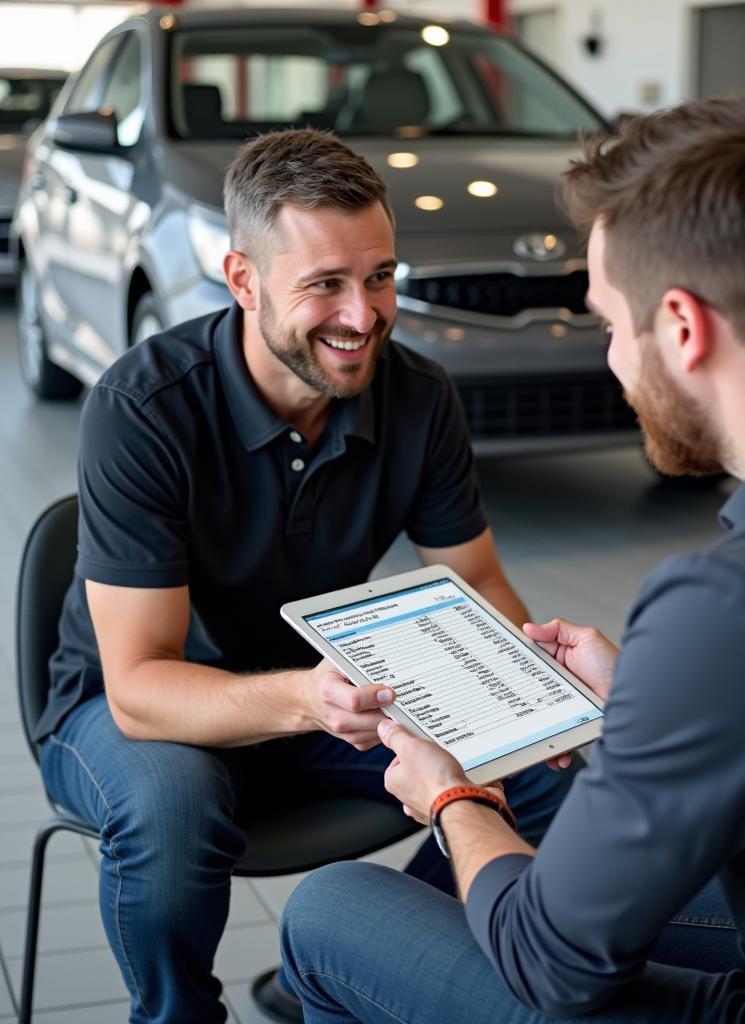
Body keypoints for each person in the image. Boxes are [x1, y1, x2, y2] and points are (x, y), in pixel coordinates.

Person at [279, 98, 745, 1022]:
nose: (614, 364)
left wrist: (452, 796)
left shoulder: (742, 597)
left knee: (332, 913)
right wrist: (652, 701)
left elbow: (551, 964)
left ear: (681, 326)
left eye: (608, 325)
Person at [33, 128, 581, 1024]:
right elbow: (138, 690)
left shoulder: (418, 393)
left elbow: (477, 582)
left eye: (380, 277)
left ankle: (353, 973)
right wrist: (310, 701)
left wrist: (528, 706)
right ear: (242, 280)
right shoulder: (143, 407)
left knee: (545, 775)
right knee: (175, 803)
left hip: (322, 696)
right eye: (324, 284)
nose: (362, 316)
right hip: (137, 711)